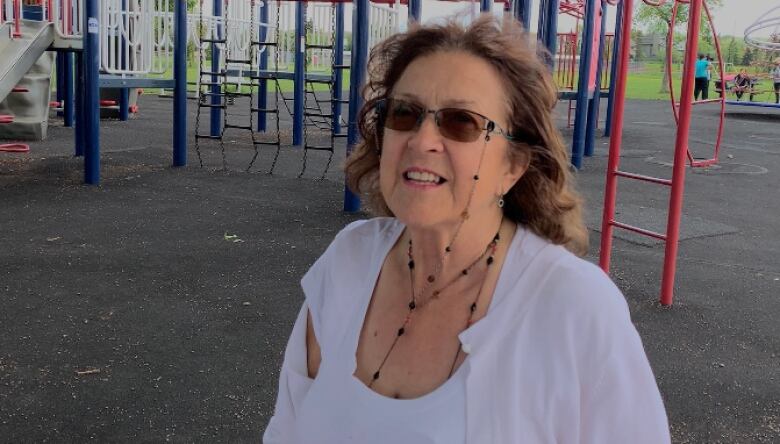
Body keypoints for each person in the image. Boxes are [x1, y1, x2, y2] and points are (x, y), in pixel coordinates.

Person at [264, 15, 670, 444]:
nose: (422, 140)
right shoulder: (347, 262)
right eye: (404, 113)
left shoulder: (575, 309)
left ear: (512, 167)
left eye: (461, 122)